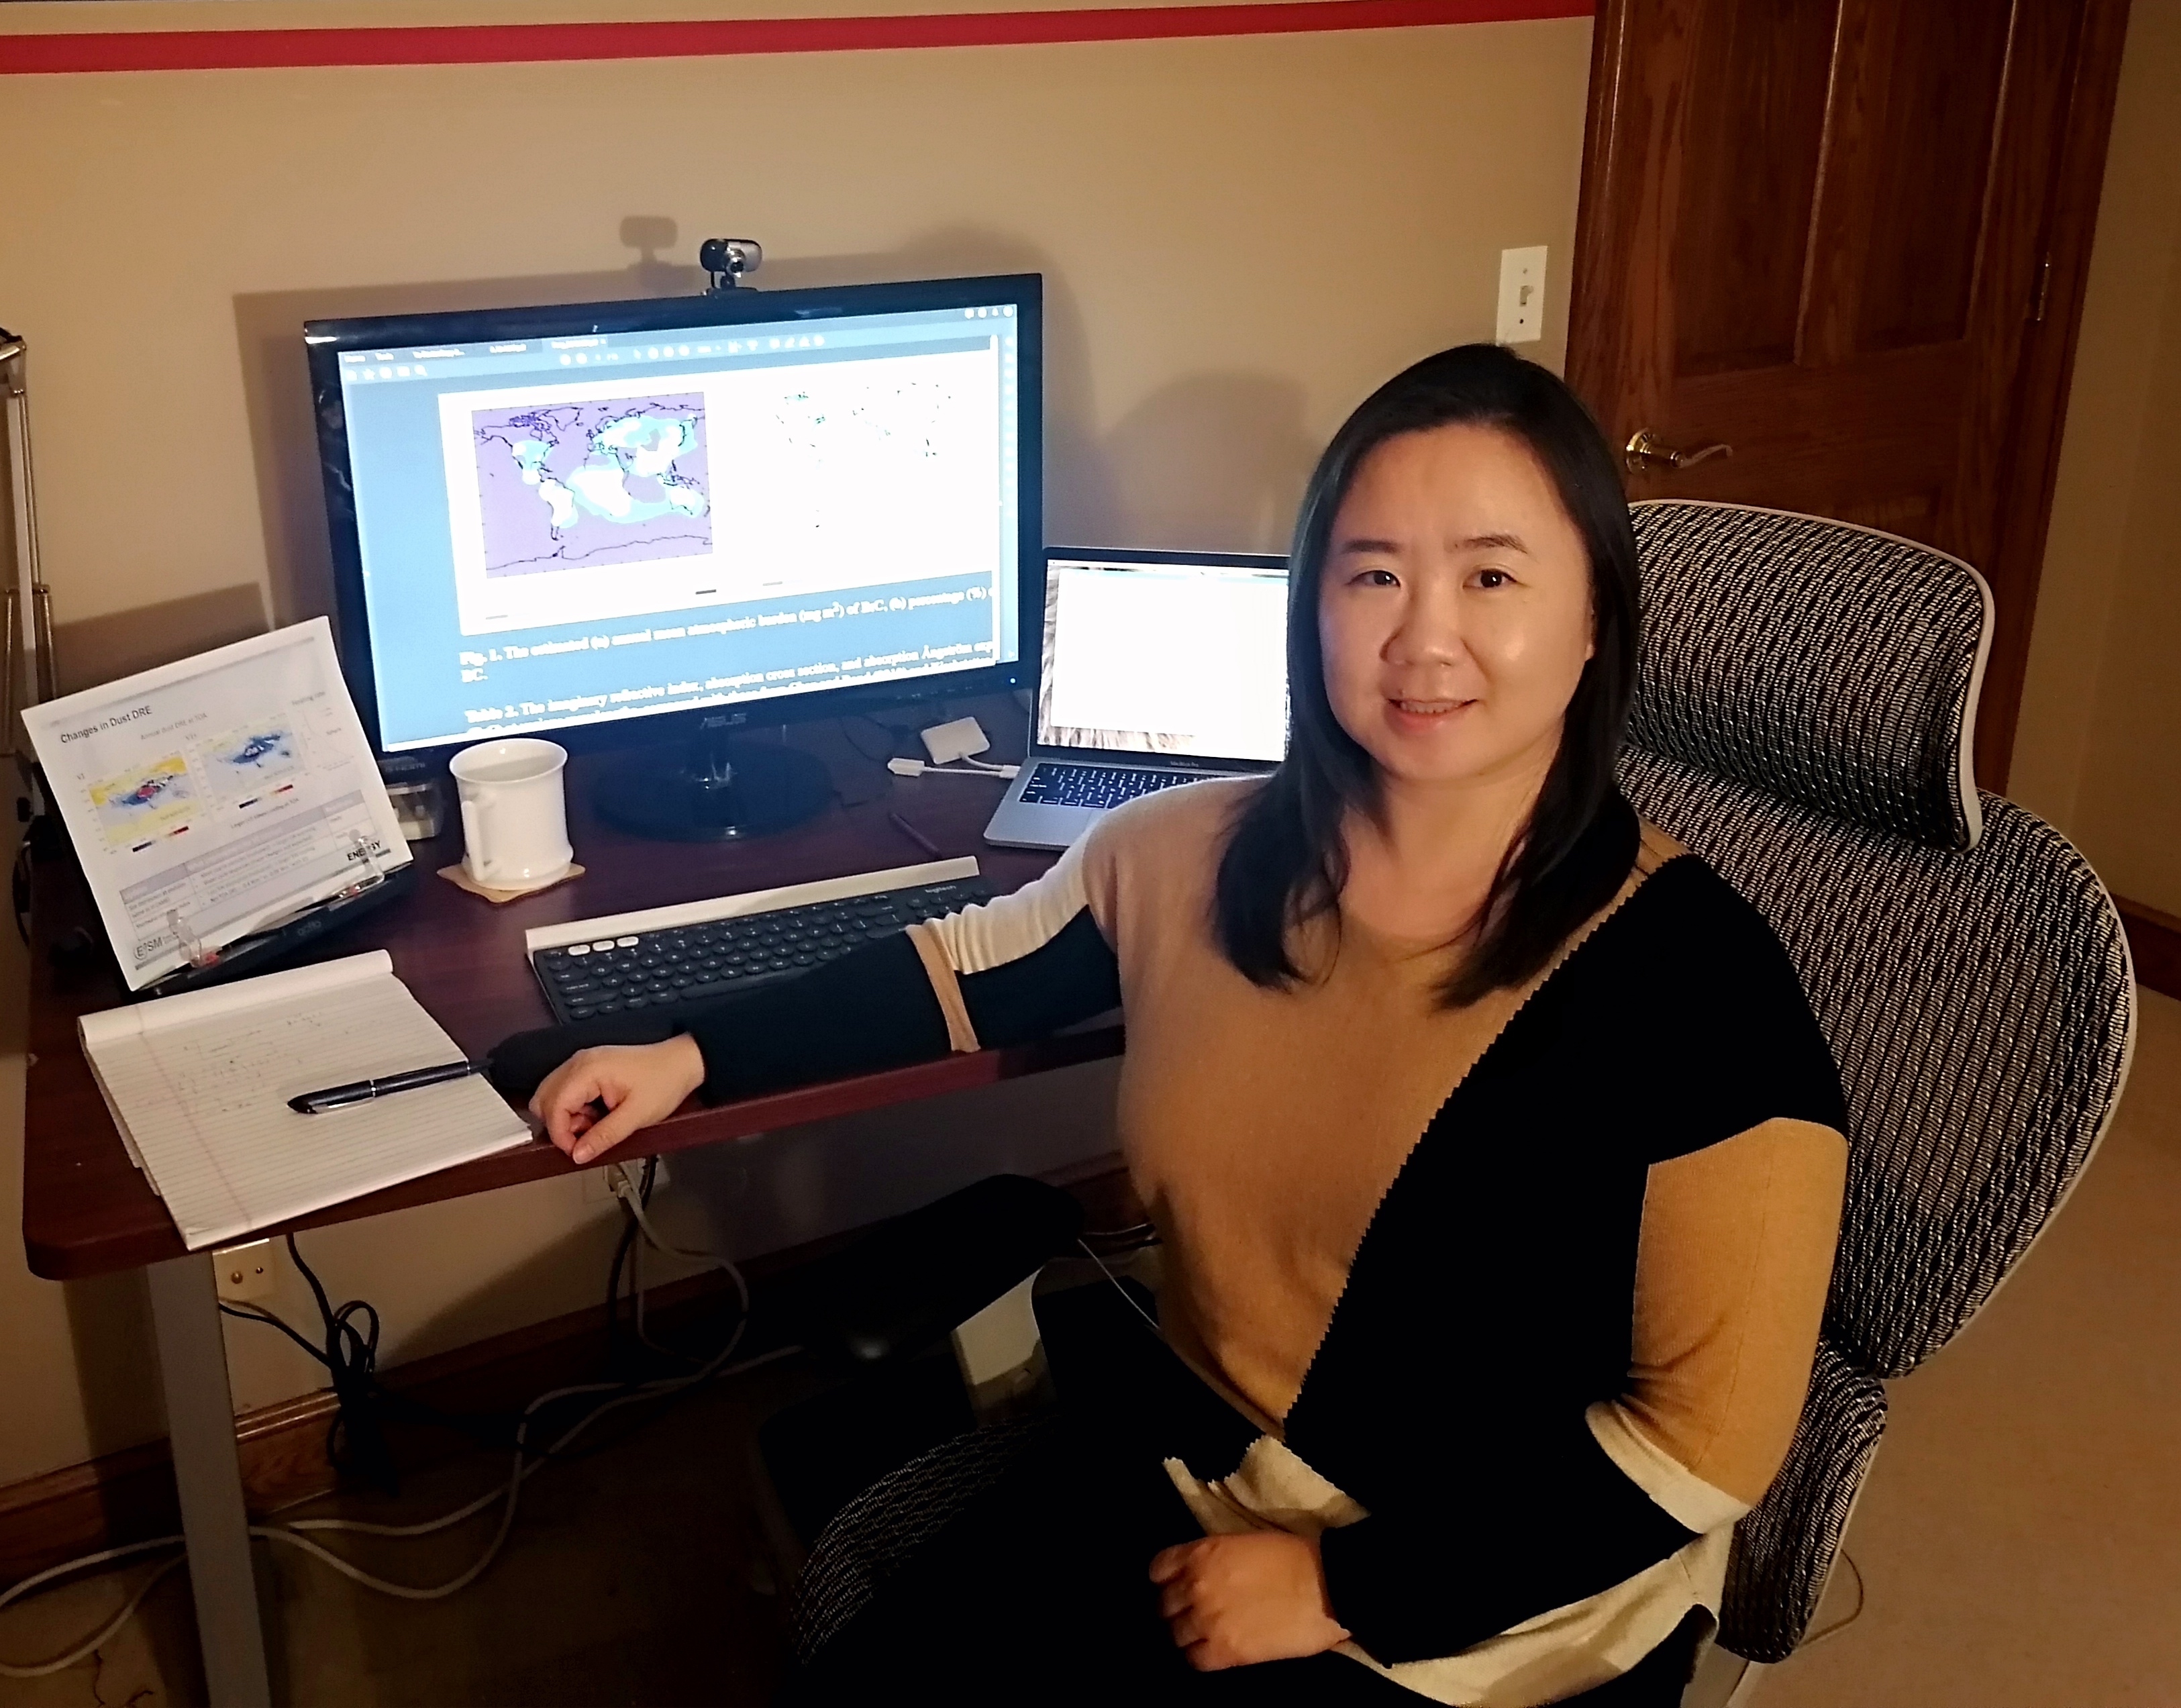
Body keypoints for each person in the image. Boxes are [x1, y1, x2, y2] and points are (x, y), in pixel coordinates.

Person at [526, 344, 1848, 1705]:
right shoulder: (1183, 853)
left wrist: (1338, 1590)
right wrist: (690, 1051)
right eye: (1371, 572)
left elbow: (1696, 1451)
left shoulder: (1698, 994)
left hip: (1487, 1618)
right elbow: (952, 969)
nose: (1421, 637)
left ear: (1590, 622)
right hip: (1195, 1470)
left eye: (1491, 576)